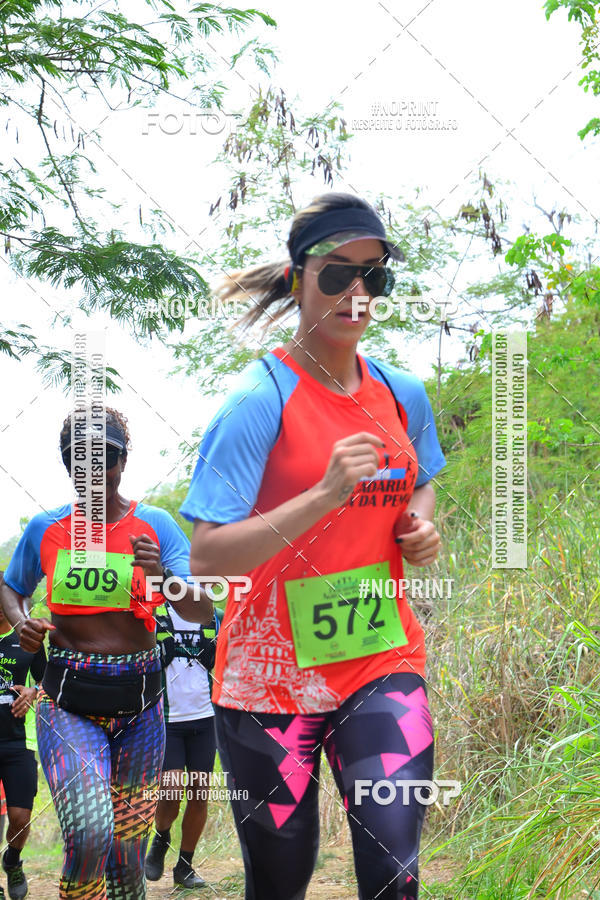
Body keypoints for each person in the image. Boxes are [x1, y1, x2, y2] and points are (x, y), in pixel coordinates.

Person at [180, 192, 447, 899]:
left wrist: (418, 524)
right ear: (300, 277)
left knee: (394, 860)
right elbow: (206, 559)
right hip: (269, 679)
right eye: (337, 275)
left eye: (374, 275)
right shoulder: (256, 400)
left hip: (380, 658)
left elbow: (423, 480)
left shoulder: (401, 391)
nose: (357, 293)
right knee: (281, 877)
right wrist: (324, 495)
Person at [0, 408, 213, 900]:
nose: (96, 473)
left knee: (126, 854)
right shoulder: (46, 528)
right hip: (69, 701)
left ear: (124, 460)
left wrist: (162, 574)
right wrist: (21, 622)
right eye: (82, 460)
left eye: (107, 458)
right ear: (68, 465)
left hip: (140, 707)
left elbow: (201, 608)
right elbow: (12, 588)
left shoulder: (155, 525)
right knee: (91, 832)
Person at [145, 602, 220, 888]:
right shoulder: (154, 615)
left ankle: (184, 866)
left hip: (205, 718)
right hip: (168, 719)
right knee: (171, 789)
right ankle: (161, 837)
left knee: (199, 795)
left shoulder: (212, 616)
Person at [0, 578, 45, 900]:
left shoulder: (27, 638)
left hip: (19, 742)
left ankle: (13, 860)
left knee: (20, 817)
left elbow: (50, 682)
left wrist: (33, 691)